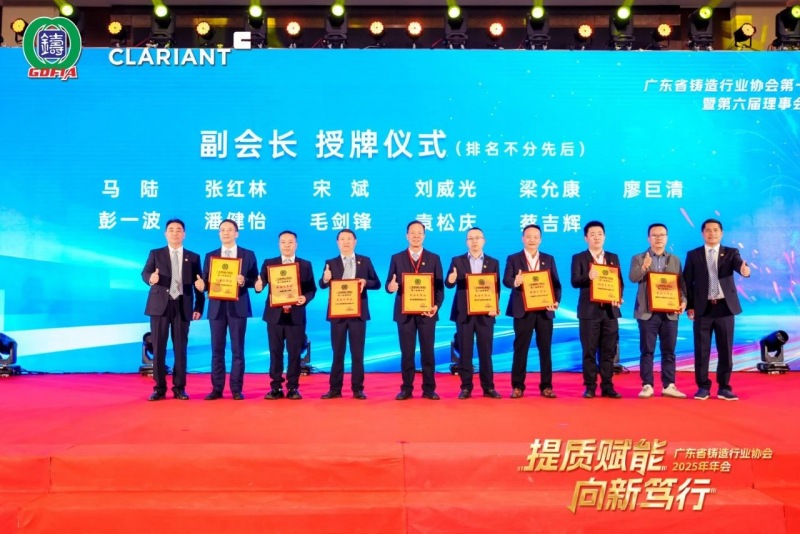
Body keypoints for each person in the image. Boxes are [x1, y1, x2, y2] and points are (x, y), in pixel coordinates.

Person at [684, 218, 750, 401]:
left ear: (721, 233)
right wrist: (690, 306)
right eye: (708, 230)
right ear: (702, 234)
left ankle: (724, 387)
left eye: (715, 230)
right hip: (702, 309)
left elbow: (739, 265)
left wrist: (745, 271)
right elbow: (687, 282)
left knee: (725, 350)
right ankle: (703, 387)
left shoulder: (731, 253)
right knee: (701, 350)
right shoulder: (694, 254)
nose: (711, 233)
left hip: (724, 308)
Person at [194, 219, 259, 401]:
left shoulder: (248, 254)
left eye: (230, 230)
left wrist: (244, 281)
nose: (226, 233)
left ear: (237, 233)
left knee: (238, 350)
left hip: (238, 308)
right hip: (217, 308)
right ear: (218, 234)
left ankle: (236, 389)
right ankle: (217, 389)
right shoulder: (211, 256)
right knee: (217, 350)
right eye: (222, 230)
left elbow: (255, 280)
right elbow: (205, 281)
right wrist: (202, 286)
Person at [141, 218, 204, 401]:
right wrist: (151, 278)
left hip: (182, 306)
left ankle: (179, 388)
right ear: (165, 233)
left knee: (180, 348)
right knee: (159, 347)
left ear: (184, 234)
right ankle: (159, 388)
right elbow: (145, 273)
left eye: (178, 230)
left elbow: (198, 283)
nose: (175, 233)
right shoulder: (156, 253)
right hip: (160, 306)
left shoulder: (193, 257)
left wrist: (199, 307)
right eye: (171, 230)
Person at [318, 229, 381, 400]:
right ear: (337, 242)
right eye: (342, 239)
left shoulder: (365, 261)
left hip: (357, 314)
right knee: (337, 353)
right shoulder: (330, 262)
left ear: (355, 241)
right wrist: (325, 278)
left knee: (357, 353)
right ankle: (335, 389)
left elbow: (377, 283)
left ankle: (357, 389)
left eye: (349, 239)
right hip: (338, 314)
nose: (346, 242)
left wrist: (365, 282)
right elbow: (322, 284)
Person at [386, 220, 444, 400]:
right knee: (407, 353)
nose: (416, 236)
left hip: (427, 313)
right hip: (405, 315)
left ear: (424, 236)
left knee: (428, 352)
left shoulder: (434, 258)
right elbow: (389, 284)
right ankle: (406, 389)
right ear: (407, 236)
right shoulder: (397, 258)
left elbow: (439, 288)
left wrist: (436, 306)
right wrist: (391, 287)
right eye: (413, 233)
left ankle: (429, 389)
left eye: (419, 233)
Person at [255, 230, 316, 400]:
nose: (287, 245)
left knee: (294, 353)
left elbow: (311, 289)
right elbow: (261, 284)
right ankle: (276, 387)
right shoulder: (269, 263)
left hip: (296, 315)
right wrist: (258, 286)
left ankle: (293, 387)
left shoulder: (305, 265)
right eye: (283, 242)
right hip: (275, 316)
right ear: (278, 244)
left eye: (290, 242)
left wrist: (305, 298)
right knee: (275, 352)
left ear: (296, 245)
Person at [628, 223, 687, 399]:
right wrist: (644, 266)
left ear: (667, 238)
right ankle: (647, 385)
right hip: (647, 313)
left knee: (669, 351)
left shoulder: (675, 260)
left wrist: (683, 301)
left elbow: (680, 285)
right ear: (649, 238)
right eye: (654, 235)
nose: (658, 238)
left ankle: (669, 385)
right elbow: (632, 278)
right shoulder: (638, 258)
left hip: (670, 312)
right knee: (647, 351)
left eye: (662, 235)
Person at [503, 224, 562, 399]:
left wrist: (556, 301)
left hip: (544, 310)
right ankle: (517, 386)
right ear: (523, 238)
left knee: (545, 349)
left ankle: (546, 386)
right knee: (520, 348)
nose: (532, 240)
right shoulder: (514, 258)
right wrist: (516, 281)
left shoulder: (548, 259)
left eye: (536, 237)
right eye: (528, 236)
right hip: (523, 311)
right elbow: (506, 280)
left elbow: (556, 285)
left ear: (540, 239)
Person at [445, 227, 502, 399]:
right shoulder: (457, 260)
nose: (474, 241)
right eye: (471, 238)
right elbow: (449, 284)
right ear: (466, 242)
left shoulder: (493, 262)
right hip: (464, 314)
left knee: (486, 352)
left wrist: (495, 306)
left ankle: (488, 387)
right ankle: (466, 387)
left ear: (484, 241)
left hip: (485, 313)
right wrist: (451, 280)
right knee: (465, 352)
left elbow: (496, 288)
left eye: (478, 238)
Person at [571, 220, 624, 399]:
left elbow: (619, 282)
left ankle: (608, 386)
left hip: (610, 312)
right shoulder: (579, 257)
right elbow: (574, 281)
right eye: (592, 234)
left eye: (600, 234)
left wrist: (619, 297)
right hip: (589, 312)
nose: (597, 237)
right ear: (586, 238)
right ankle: (590, 386)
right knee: (589, 351)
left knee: (609, 351)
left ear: (605, 236)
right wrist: (588, 276)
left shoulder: (613, 257)